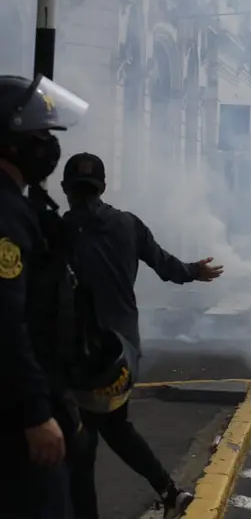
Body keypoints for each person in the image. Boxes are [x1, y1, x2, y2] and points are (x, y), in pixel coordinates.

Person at [59, 152, 225, 519]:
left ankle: (165, 493)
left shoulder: (60, 230)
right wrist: (195, 271)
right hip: (124, 352)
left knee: (81, 451)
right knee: (115, 429)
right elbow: (166, 265)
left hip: (82, 355)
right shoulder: (128, 224)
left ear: (66, 190)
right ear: (104, 186)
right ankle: (170, 493)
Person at [0, 74, 89, 518]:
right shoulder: (6, 213)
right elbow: (5, 319)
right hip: (15, 419)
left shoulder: (21, 205)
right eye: (39, 135)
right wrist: (36, 412)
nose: (48, 146)